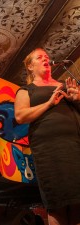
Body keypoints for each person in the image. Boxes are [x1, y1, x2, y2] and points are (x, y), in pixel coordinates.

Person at [14, 48, 80, 225]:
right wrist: (49, 103)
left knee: (77, 202)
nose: (46, 59)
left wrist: (77, 99)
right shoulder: (26, 90)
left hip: (74, 148)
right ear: (30, 65)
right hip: (49, 151)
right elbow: (20, 116)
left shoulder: (65, 86)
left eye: (47, 57)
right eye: (40, 57)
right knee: (57, 203)